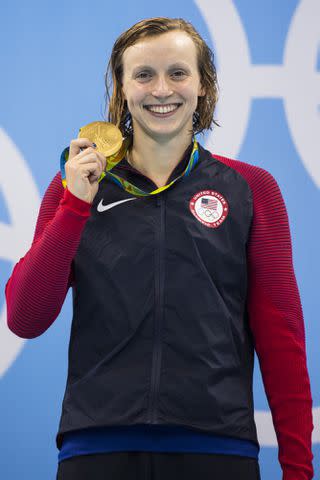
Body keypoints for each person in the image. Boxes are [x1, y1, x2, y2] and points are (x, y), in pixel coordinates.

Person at [5, 16, 314, 480]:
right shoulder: (76, 186)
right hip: (97, 449)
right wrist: (74, 206)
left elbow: (282, 338)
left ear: (204, 86)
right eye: (143, 75)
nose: (161, 89)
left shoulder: (251, 188)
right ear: (122, 89)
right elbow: (25, 317)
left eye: (178, 72)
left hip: (218, 450)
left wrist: (298, 469)